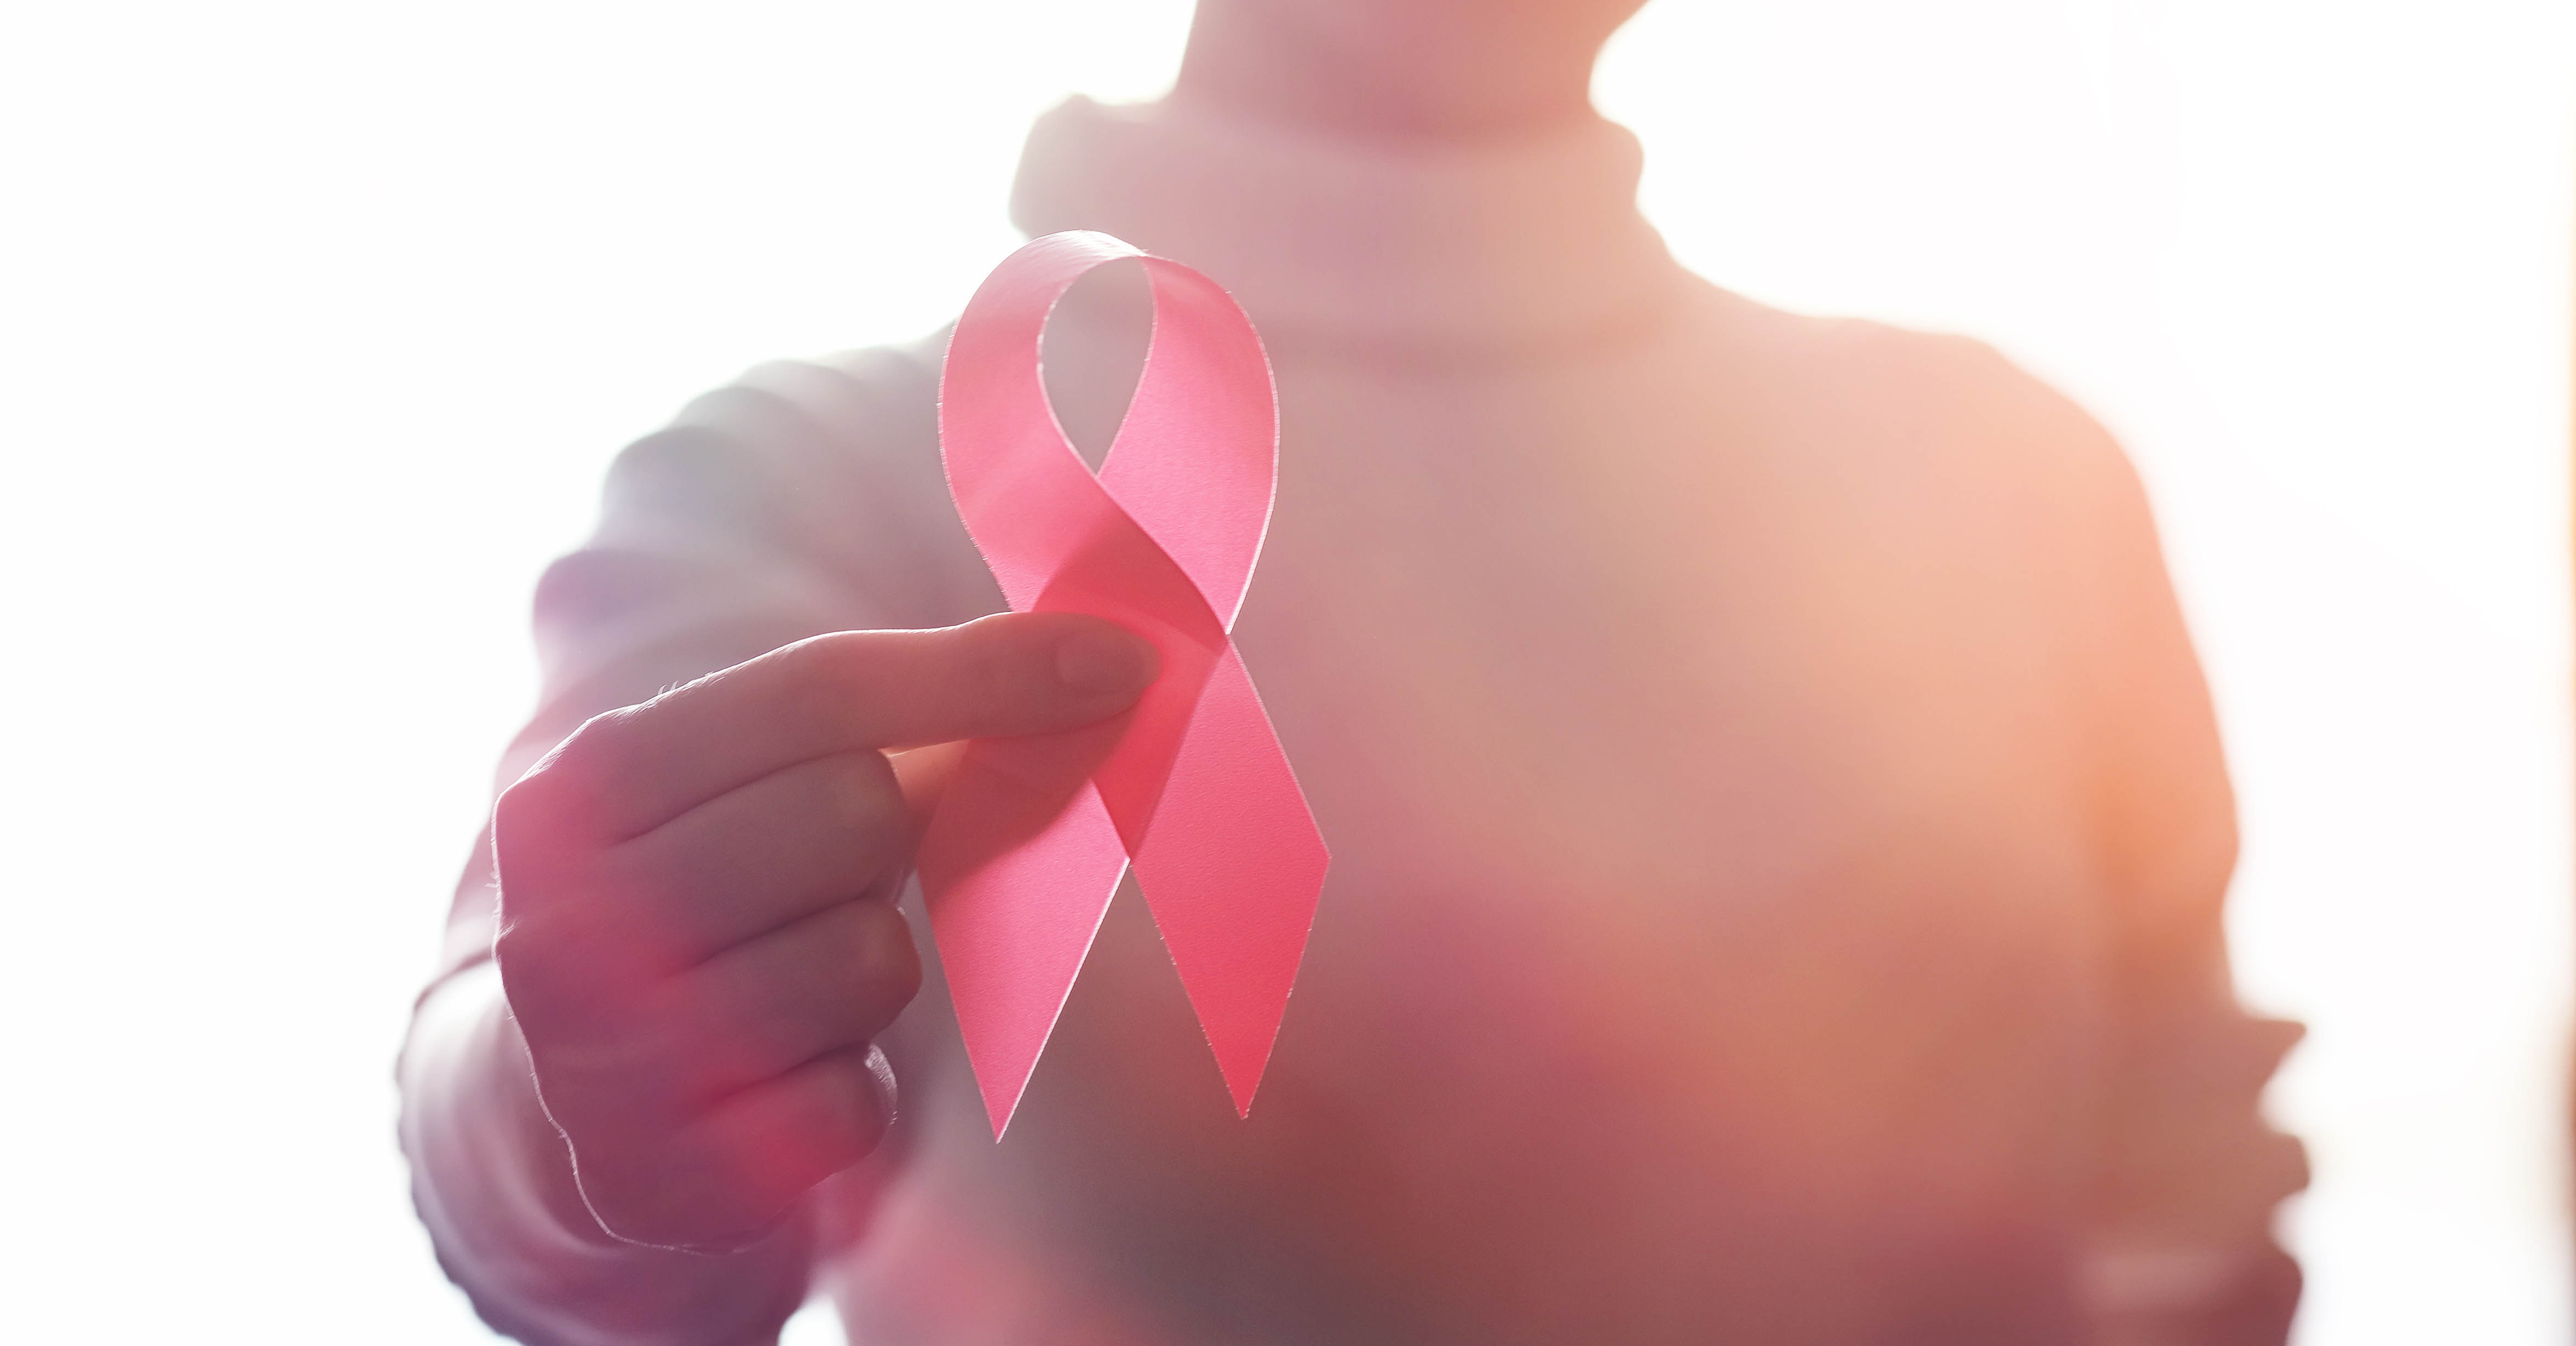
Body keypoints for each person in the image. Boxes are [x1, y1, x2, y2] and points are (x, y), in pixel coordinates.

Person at [398, 0, 2309, 1341]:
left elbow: (2189, 1186)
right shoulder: (824, 482)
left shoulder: (2011, 483)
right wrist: (564, 1112)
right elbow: (526, 1108)